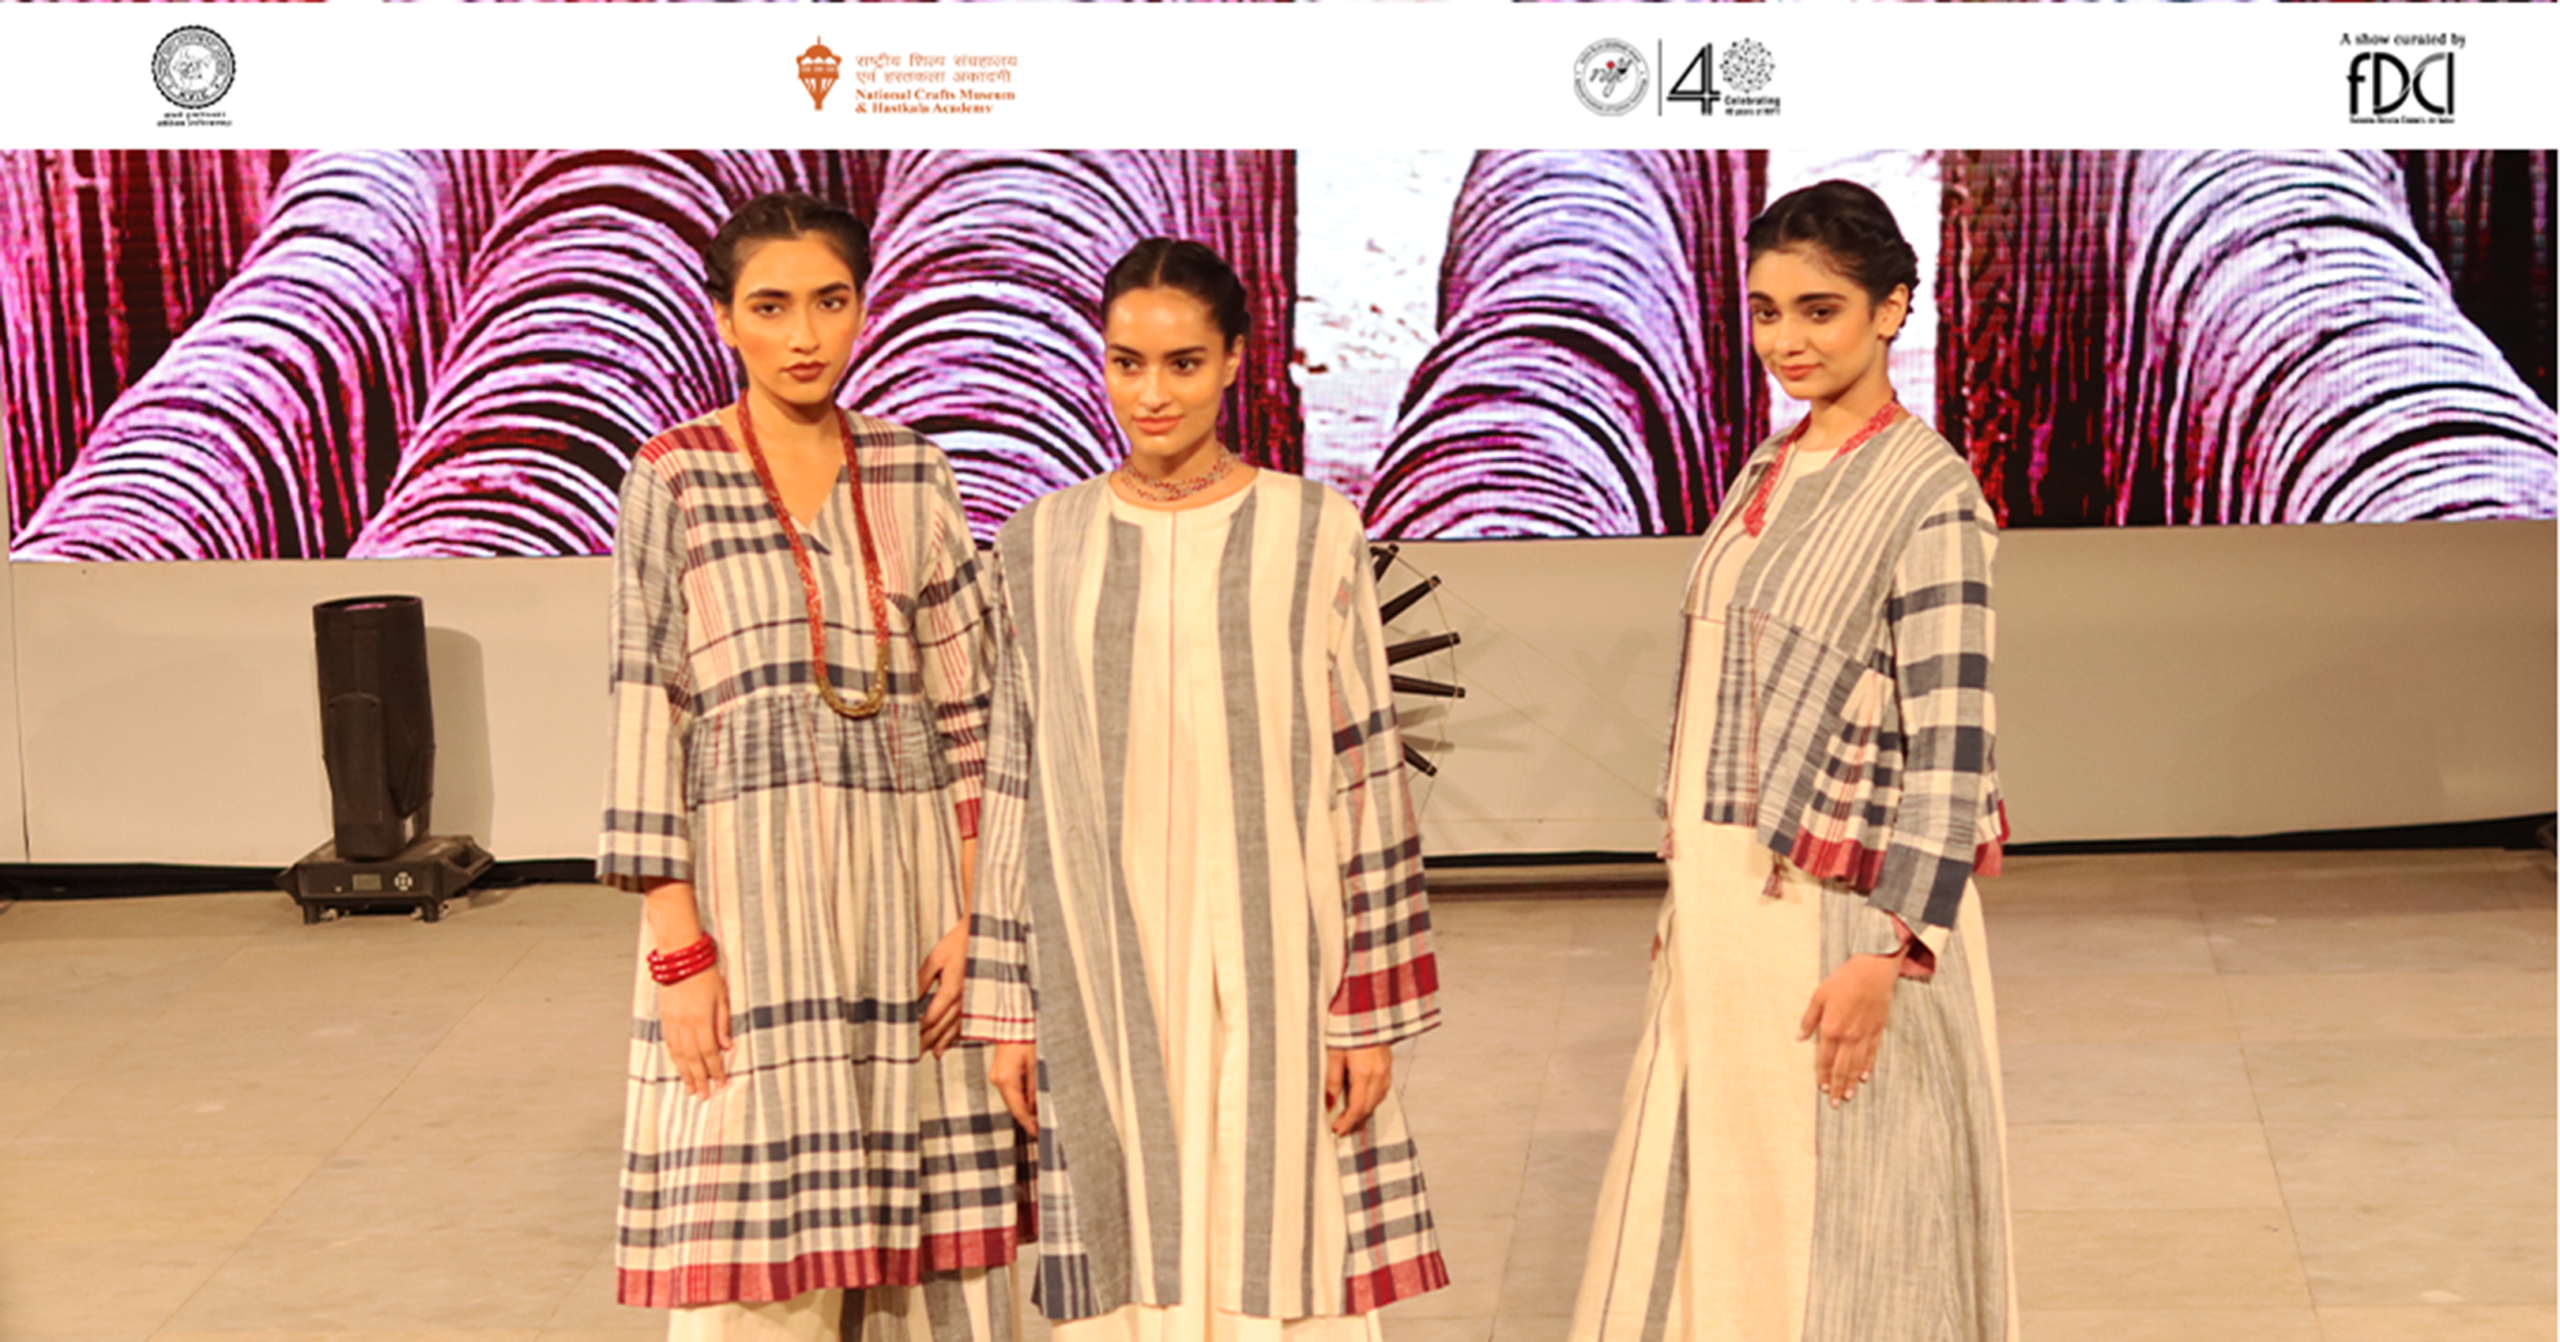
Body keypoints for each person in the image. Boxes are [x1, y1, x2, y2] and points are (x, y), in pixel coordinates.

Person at [960, 237, 1449, 1337]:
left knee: (1276, 1230)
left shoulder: (1311, 528)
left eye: (1182, 363)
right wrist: (1007, 1010)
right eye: (1126, 362)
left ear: (1234, 358)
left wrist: (1368, 1012)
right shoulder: (1041, 543)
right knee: (1130, 1235)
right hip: (1099, 960)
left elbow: (1366, 777)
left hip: (1278, 956)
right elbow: (1014, 778)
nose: (1151, 392)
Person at [1572, 180, 2015, 1342]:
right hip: (1726, 903)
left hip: (1838, 913)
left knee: (1853, 1209)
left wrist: (1890, 948)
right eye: (1766, 312)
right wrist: (1688, 900)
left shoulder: (1929, 492)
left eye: (1819, 310)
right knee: (1729, 1195)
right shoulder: (1769, 465)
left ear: (1891, 308)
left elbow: (1953, 735)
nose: (1786, 341)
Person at [600, 191, 1025, 1342]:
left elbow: (973, 709)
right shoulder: (674, 477)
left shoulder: (912, 470)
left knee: (931, 1239)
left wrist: (980, 918)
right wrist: (678, 947)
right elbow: (646, 706)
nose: (804, 336)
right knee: (757, 1257)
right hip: (751, 913)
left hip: (916, 905)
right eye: (771, 306)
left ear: (862, 308)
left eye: (830, 302)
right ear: (723, 318)